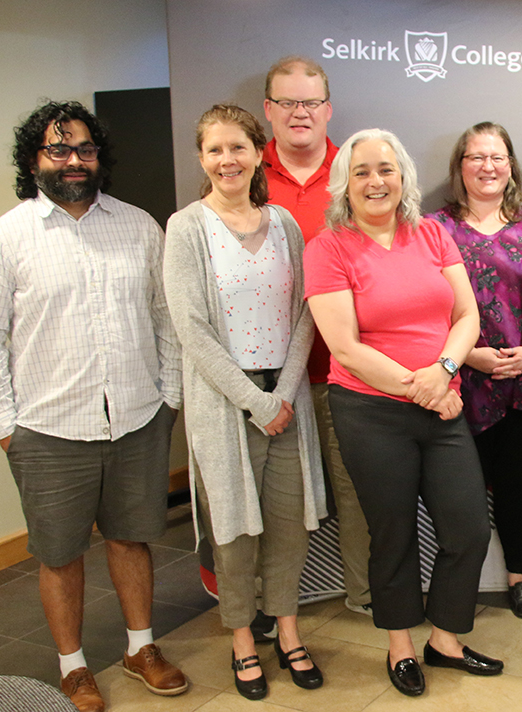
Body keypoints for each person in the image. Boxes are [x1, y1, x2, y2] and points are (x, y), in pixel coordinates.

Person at [0, 101, 188, 712]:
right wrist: (9, 431)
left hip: (138, 417)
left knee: (132, 538)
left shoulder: (139, 226)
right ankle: (73, 665)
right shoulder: (3, 240)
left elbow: (167, 321)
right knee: (59, 554)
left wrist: (170, 396)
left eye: (84, 149)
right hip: (47, 428)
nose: (74, 160)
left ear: (98, 156)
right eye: (58, 150)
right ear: (34, 161)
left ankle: (141, 648)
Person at [304, 128, 502, 698]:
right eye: (362, 170)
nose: (375, 181)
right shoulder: (328, 248)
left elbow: (467, 316)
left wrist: (442, 373)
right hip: (369, 412)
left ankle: (445, 639)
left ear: (403, 177)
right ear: (346, 182)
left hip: (441, 405)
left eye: (386, 169)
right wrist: (429, 389)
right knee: (391, 534)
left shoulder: (432, 234)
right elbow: (344, 347)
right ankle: (400, 646)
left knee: (467, 528)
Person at [163, 104, 327, 701]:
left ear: (259, 152)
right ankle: (240, 640)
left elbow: (308, 309)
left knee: (288, 525)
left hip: (286, 399)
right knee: (234, 532)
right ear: (201, 158)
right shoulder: (186, 228)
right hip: (224, 404)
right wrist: (253, 402)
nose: (227, 160)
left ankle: (288, 632)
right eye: (215, 150)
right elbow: (191, 328)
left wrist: (282, 393)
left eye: (238, 147)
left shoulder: (283, 222)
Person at [428, 122, 522, 620]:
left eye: (497, 157)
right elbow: (424, 310)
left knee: (516, 485)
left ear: (511, 166)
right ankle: (456, 585)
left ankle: (519, 576)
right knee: (458, 495)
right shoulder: (434, 229)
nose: (488, 166)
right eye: (476, 157)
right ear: (459, 167)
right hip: (459, 382)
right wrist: (470, 355)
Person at [261, 56, 372, 618]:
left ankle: (365, 598)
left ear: (328, 110)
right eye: (287, 102)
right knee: (275, 500)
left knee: (355, 492)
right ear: (269, 110)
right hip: (269, 377)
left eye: (310, 102)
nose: (299, 113)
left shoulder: (357, 174)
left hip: (345, 368)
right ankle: (274, 607)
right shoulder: (243, 174)